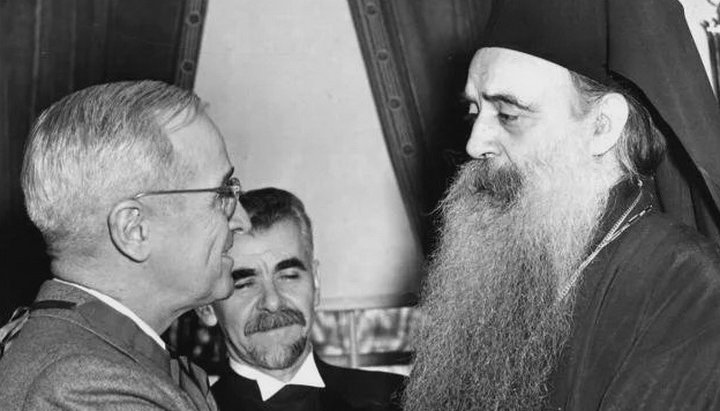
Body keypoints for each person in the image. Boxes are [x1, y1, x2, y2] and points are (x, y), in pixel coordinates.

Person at [404, 0, 720, 410]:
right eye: (473, 111)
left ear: (603, 126)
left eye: (508, 114)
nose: (474, 143)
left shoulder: (686, 289)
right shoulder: (513, 267)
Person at [0, 80, 251, 410]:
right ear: (135, 230)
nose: (242, 221)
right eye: (222, 194)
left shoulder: (91, 350)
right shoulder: (85, 384)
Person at [196, 187, 405, 411]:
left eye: (288, 276)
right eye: (245, 284)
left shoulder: (402, 399)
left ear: (316, 282)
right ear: (206, 307)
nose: (272, 302)